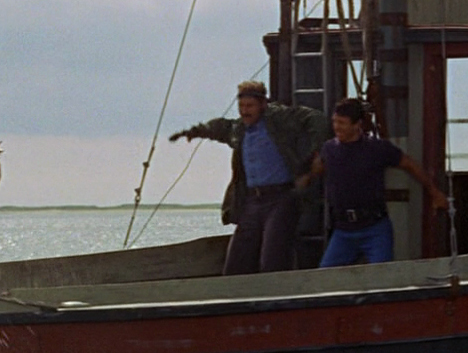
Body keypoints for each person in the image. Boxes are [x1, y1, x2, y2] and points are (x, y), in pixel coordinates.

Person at [169, 81, 329, 274]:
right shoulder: (239, 129)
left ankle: (277, 291)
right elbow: (218, 127)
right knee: (236, 263)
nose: (245, 111)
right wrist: (193, 132)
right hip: (252, 200)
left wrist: (317, 154)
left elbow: (317, 119)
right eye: (241, 106)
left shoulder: (279, 118)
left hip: (281, 197)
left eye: (250, 106)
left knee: (272, 259)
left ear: (263, 104)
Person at [308, 97, 446, 268]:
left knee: (382, 277)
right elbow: (317, 169)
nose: (336, 127)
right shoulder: (329, 149)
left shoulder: (377, 149)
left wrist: (434, 192)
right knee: (325, 277)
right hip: (343, 231)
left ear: (357, 124)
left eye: (342, 123)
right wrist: (305, 176)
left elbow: (409, 164)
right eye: (335, 122)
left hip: (374, 229)